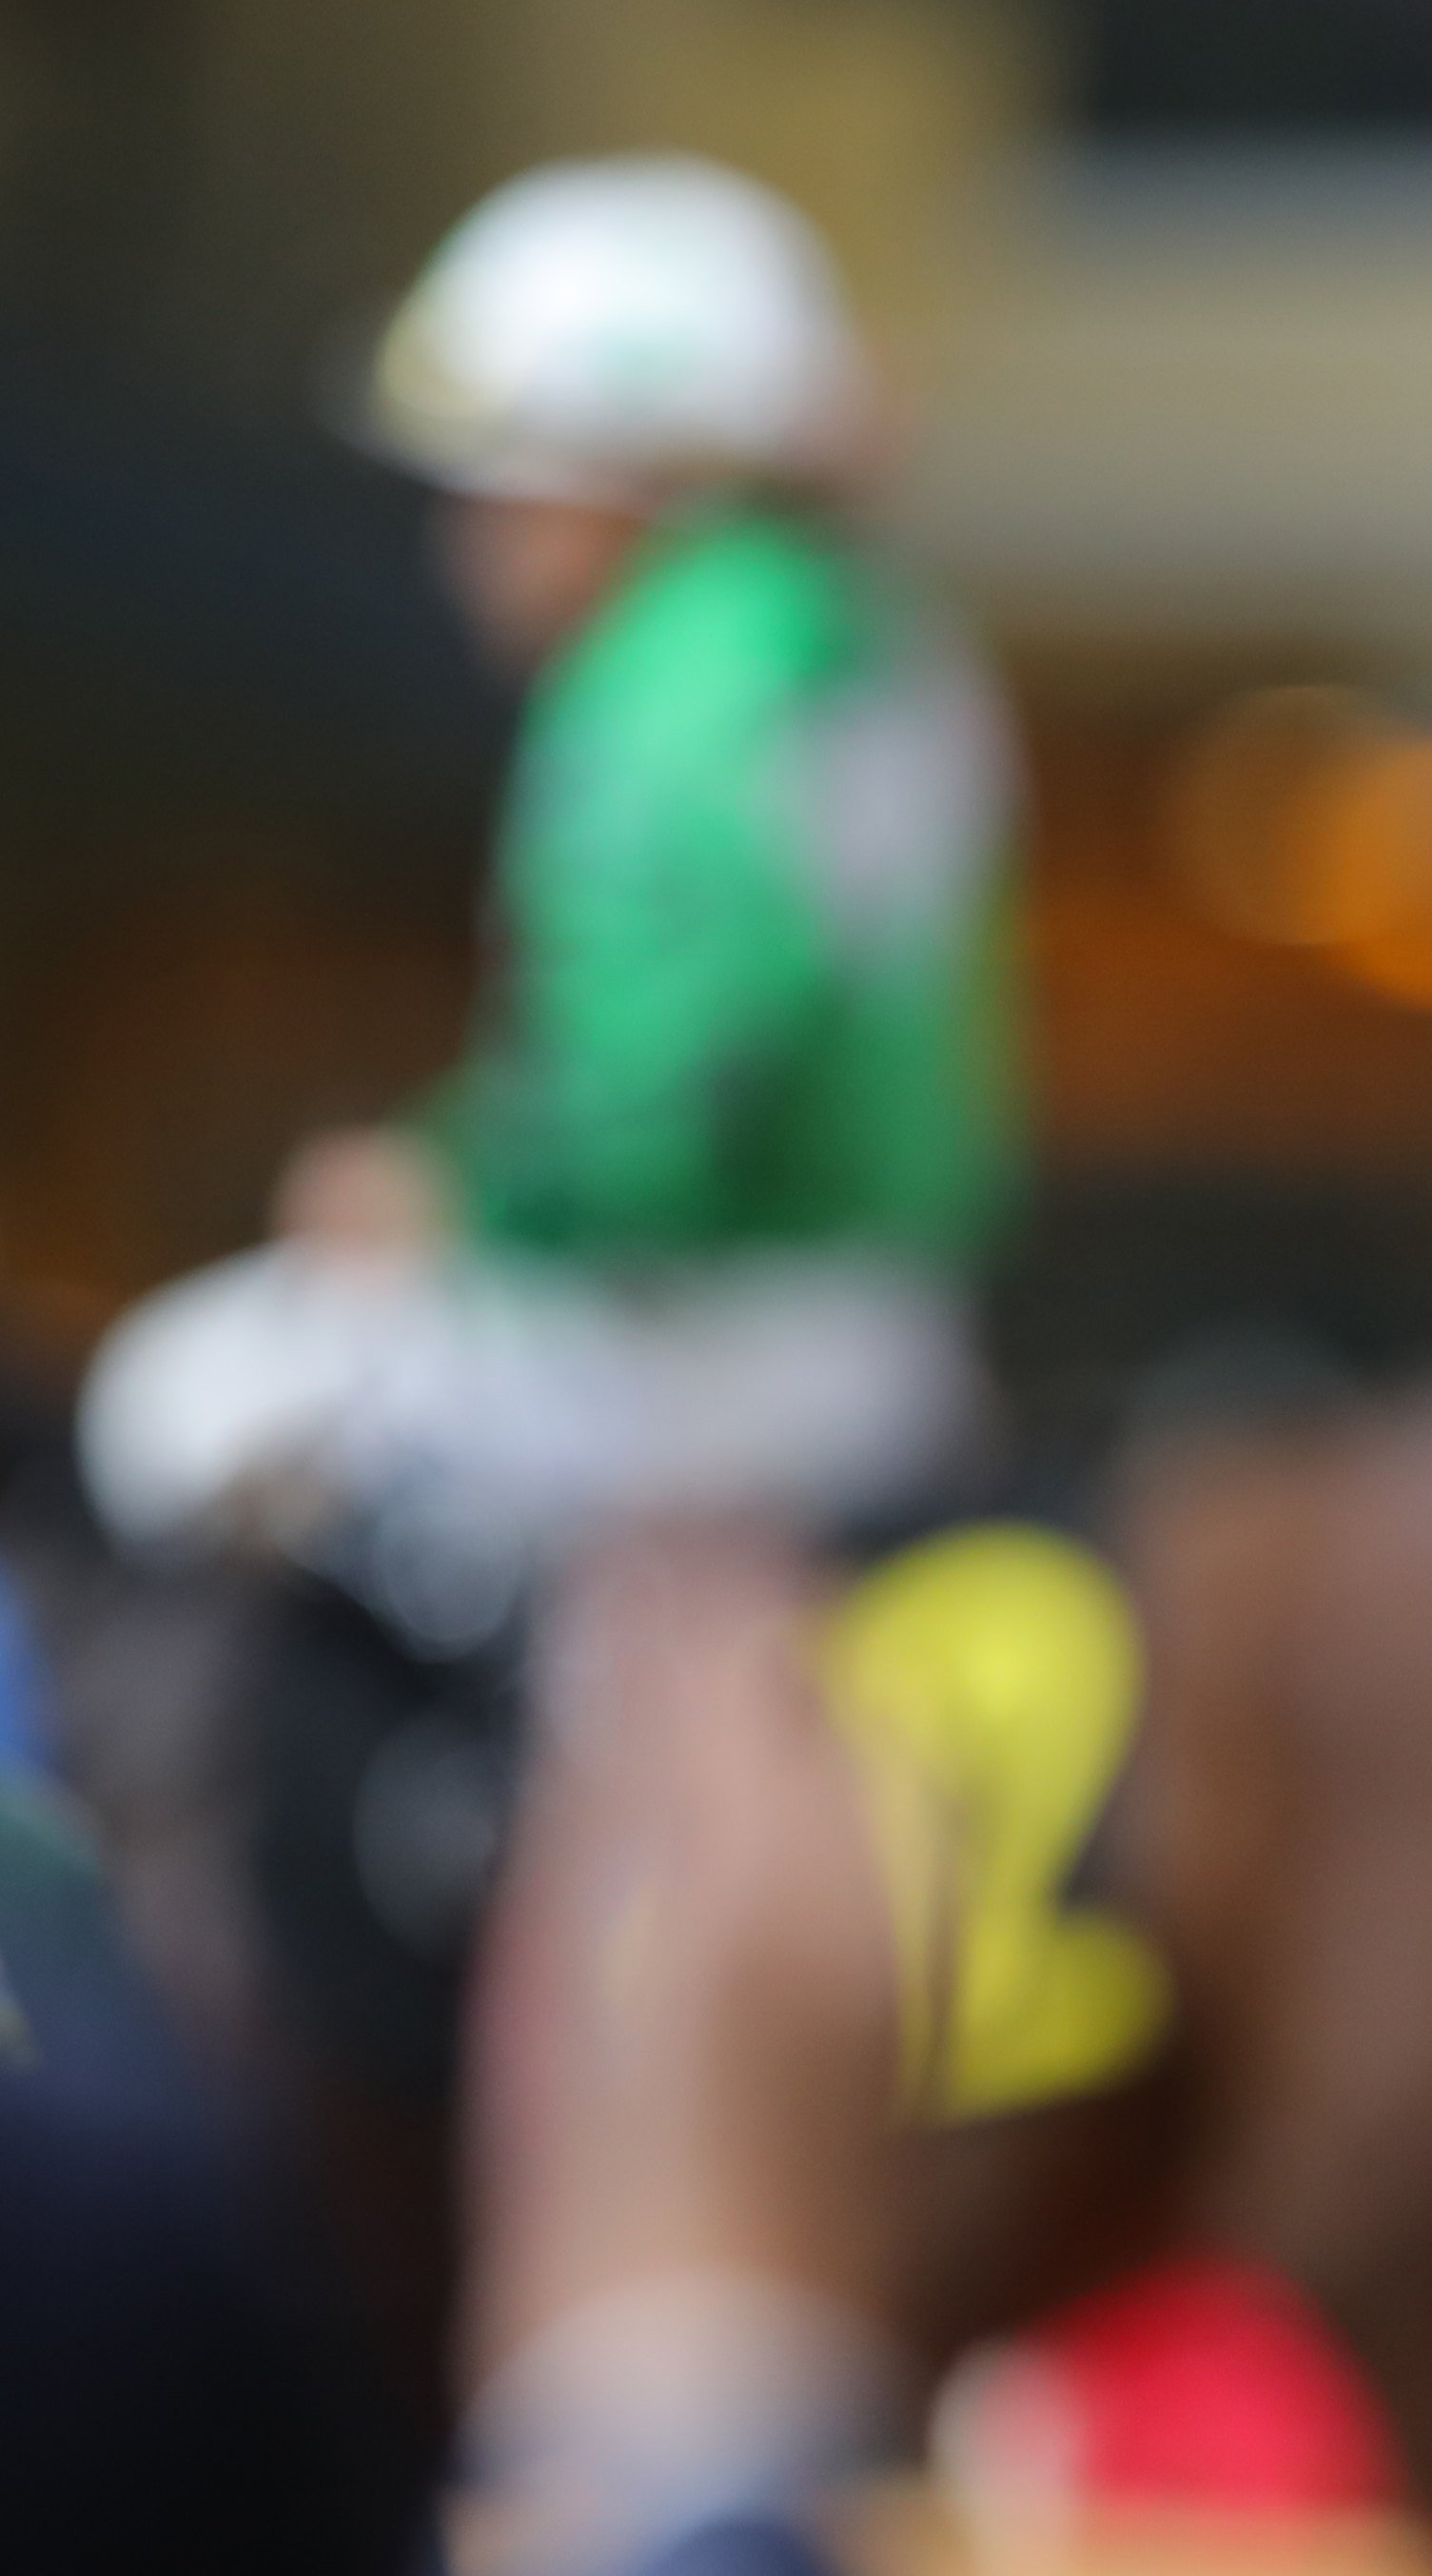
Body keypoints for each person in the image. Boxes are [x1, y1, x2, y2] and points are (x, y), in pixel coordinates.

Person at [78, 153, 1017, 1634]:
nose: (471, 543)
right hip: (889, 1321)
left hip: (712, 1336)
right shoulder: (871, 632)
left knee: (178, 1407)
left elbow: (666, 1076)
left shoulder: (676, 678)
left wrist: (460, 1189)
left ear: (623, 467)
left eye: (501, 486)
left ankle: (428, 1827)